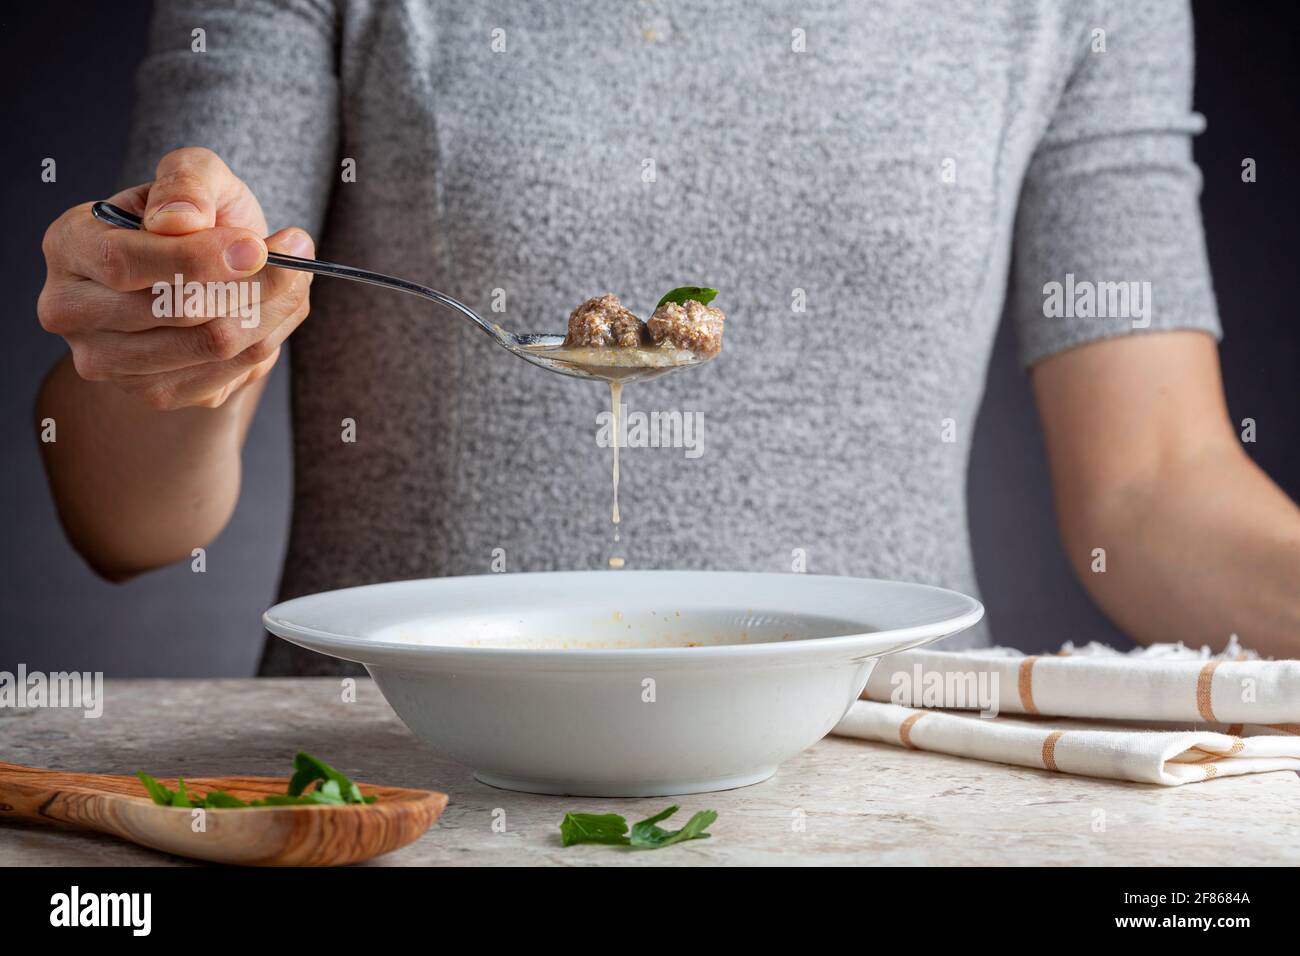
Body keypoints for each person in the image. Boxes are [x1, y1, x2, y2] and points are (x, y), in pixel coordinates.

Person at [35, 0, 1300, 672]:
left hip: (902, 805)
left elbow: (1149, 491)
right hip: (398, 804)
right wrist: (176, 336)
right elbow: (130, 522)